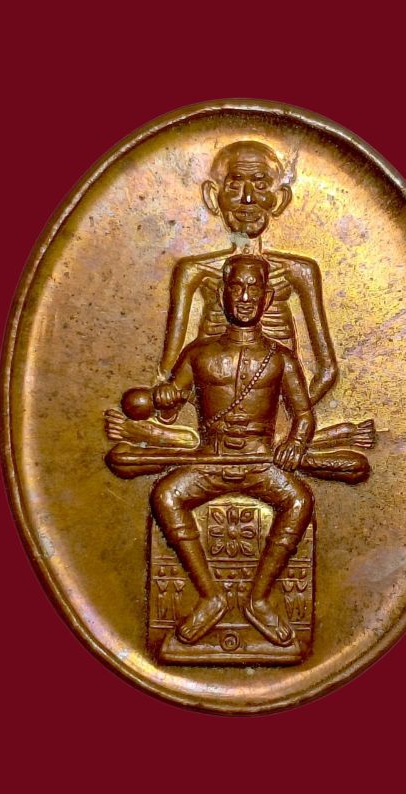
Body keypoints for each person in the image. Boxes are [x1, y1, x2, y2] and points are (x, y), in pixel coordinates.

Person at [149, 254, 316, 647]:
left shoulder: (280, 358)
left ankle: (258, 599)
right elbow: (169, 410)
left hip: (260, 463)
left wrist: (295, 443)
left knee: (300, 500)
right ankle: (211, 596)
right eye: (236, 286)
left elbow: (304, 415)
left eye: (253, 288)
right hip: (210, 462)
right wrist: (165, 397)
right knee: (165, 495)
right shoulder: (198, 353)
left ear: (267, 297)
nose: (244, 297)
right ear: (222, 293)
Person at [160, 140, 338, 406]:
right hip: (211, 411)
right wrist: (208, 412)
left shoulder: (299, 271)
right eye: (234, 186)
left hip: (276, 412)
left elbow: (327, 370)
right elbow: (168, 370)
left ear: (280, 199)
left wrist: (292, 414)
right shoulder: (194, 271)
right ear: (212, 196)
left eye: (260, 185)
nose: (247, 199)